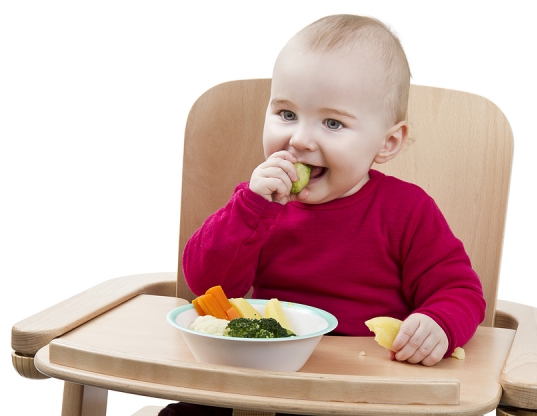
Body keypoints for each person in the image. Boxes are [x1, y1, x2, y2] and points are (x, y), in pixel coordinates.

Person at [161, 13, 485, 416]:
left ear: (387, 143)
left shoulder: (408, 211)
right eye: (286, 114)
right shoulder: (256, 206)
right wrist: (249, 208)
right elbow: (208, 285)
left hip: (363, 391)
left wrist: (438, 322)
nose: (299, 139)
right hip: (262, 378)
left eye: (332, 123)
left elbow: (460, 290)